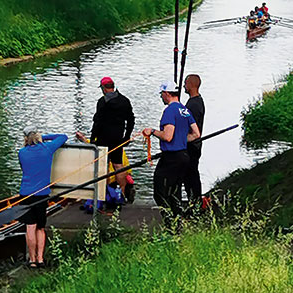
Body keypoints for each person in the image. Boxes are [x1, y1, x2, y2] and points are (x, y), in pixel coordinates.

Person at [141, 81, 200, 218]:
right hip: (184, 156)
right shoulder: (185, 110)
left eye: (162, 94)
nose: (161, 97)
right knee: (175, 191)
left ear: (167, 93)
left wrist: (152, 131)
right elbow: (196, 134)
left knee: (160, 192)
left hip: (171, 158)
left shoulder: (169, 111)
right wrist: (181, 140)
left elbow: (167, 136)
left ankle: (171, 223)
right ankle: (178, 220)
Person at [75, 76, 135, 199]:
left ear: (103, 88)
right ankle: (122, 194)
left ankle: (103, 195)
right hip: (118, 137)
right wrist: (127, 136)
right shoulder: (124, 100)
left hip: (103, 138)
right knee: (118, 165)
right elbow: (131, 120)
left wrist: (92, 139)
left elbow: (97, 122)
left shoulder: (102, 102)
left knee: (103, 166)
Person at [18, 126, 68, 268]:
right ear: (37, 136)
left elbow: (23, 168)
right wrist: (43, 138)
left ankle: (32, 260)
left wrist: (33, 139)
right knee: (40, 228)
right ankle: (40, 259)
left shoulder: (22, 152)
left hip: (26, 194)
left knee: (30, 227)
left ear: (26, 138)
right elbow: (63, 136)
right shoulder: (47, 148)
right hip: (42, 194)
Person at [182, 74, 205, 203]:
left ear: (191, 85)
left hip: (192, 145)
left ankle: (195, 202)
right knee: (189, 174)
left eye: (186, 83)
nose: (184, 86)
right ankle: (194, 201)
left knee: (191, 175)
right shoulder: (195, 101)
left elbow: (192, 127)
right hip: (193, 144)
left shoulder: (194, 105)